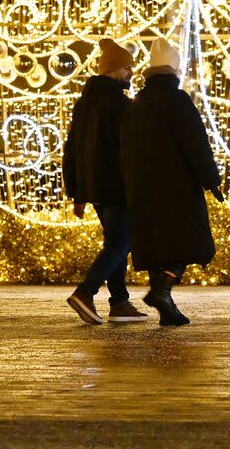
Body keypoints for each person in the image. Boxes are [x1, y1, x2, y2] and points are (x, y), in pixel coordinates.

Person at [120, 37, 224, 327]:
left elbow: (124, 147)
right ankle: (163, 288)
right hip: (177, 188)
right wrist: (211, 180)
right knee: (187, 241)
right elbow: (196, 144)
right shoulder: (178, 101)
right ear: (175, 72)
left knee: (155, 244)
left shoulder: (136, 103)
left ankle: (166, 306)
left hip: (141, 187)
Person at [62, 38, 148, 325]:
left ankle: (120, 302)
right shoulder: (120, 105)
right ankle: (85, 293)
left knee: (116, 242)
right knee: (120, 243)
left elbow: (72, 148)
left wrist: (77, 192)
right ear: (112, 69)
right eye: (127, 67)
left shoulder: (85, 104)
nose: (131, 73)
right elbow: (129, 151)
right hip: (116, 186)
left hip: (94, 186)